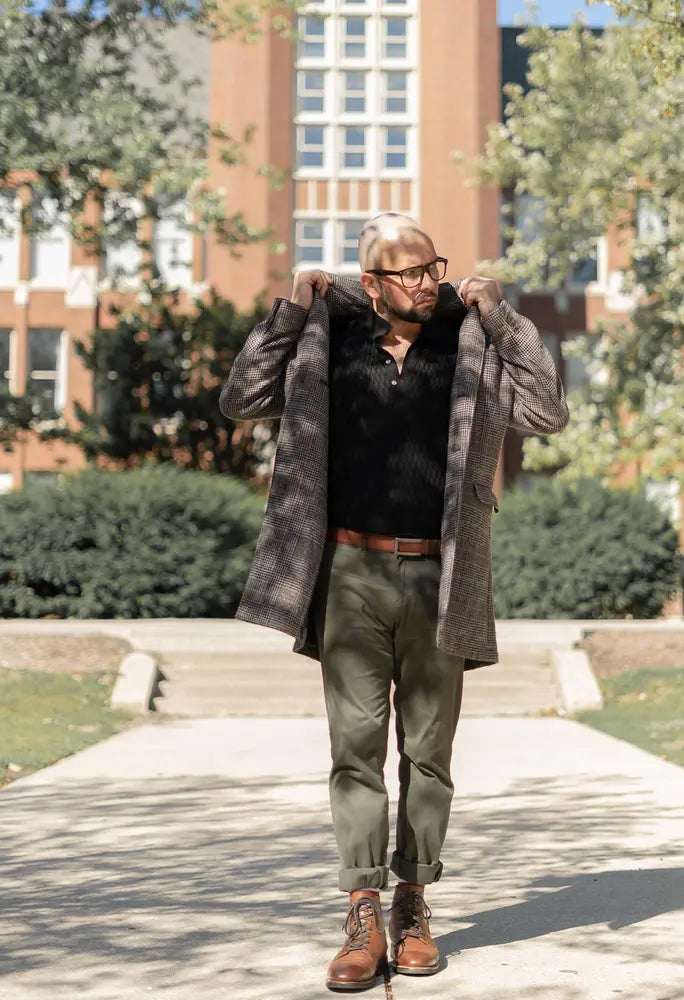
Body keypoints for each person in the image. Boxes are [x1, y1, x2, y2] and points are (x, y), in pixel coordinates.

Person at [219, 212, 569, 992]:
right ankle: (362, 910)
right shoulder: (329, 342)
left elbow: (548, 412)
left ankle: (413, 903)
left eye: (433, 266)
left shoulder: (470, 344)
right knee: (356, 748)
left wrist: (504, 318)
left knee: (429, 753)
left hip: (443, 575)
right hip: (348, 570)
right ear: (372, 284)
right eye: (408, 272)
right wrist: (290, 312)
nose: (428, 282)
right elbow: (242, 399)